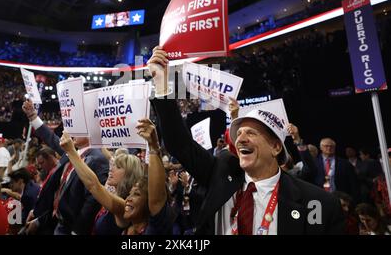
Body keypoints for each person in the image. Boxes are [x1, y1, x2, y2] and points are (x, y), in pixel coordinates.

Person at [147, 45, 345, 235]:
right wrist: (162, 84)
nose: (241, 139)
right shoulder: (221, 172)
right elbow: (179, 143)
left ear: (276, 147)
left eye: (251, 133)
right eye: (239, 133)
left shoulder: (318, 204)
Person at [59, 118, 174, 235]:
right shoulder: (126, 211)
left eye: (137, 194)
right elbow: (94, 185)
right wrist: (72, 151)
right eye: (131, 193)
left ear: (148, 203)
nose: (128, 198)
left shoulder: (155, 226)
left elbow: (94, 186)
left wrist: (153, 145)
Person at [22, 98, 108, 235]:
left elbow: (92, 201)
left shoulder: (98, 159)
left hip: (70, 229)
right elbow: (51, 138)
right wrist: (33, 116)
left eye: (78, 127)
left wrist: (77, 231)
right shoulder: (71, 152)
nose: (72, 131)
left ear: (91, 131)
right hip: (53, 222)